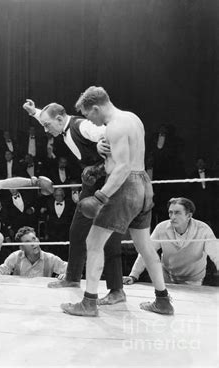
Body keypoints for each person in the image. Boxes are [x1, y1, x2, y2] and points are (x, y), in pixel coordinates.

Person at [61, 86, 173, 317]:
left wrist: (101, 196)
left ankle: (88, 303)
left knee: (93, 243)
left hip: (125, 187)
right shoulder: (132, 118)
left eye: (89, 114)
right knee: (145, 245)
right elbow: (129, 159)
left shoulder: (114, 126)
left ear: (95, 107)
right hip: (143, 183)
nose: (90, 120)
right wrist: (104, 160)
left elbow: (121, 168)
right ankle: (163, 300)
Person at [23, 98, 125, 305]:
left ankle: (117, 290)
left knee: (110, 237)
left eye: (47, 126)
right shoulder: (61, 124)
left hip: (108, 183)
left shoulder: (83, 126)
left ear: (60, 119)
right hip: (91, 183)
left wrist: (102, 147)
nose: (45, 130)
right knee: (77, 230)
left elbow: (116, 135)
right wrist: (35, 112)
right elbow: (50, 116)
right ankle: (72, 277)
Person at [124, 197, 218, 286]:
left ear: (189, 215)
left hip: (193, 280)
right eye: (170, 212)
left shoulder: (203, 230)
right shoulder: (161, 228)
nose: (172, 217)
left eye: (177, 213)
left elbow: (216, 254)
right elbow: (147, 252)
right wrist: (133, 275)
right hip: (166, 277)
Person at [0, 226, 67, 278]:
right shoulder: (15, 257)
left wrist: (66, 275)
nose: (34, 243)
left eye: (34, 238)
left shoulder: (50, 259)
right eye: (28, 242)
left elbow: (72, 270)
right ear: (21, 248)